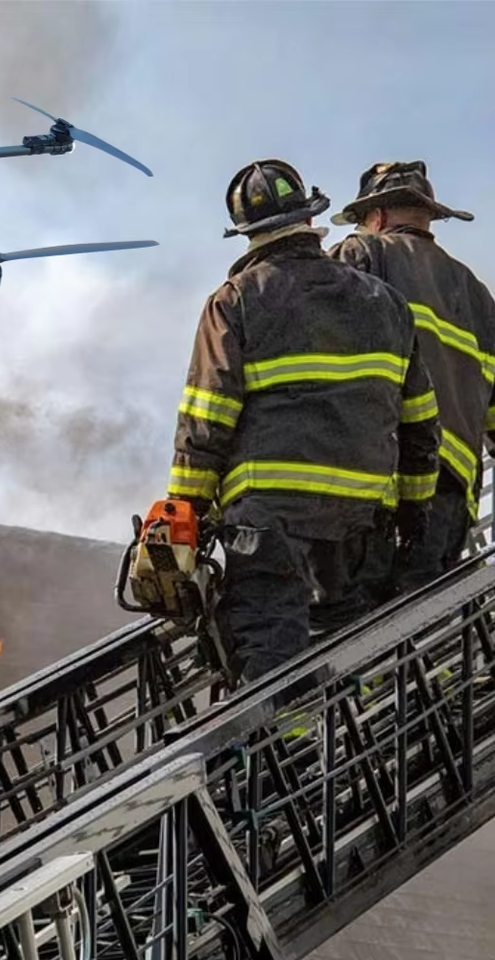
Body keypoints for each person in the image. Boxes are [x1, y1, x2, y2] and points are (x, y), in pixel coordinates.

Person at [167, 159, 440, 685]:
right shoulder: (386, 303)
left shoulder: (235, 301)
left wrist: (185, 510)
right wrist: (412, 511)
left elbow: (207, 418)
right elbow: (420, 422)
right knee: (349, 641)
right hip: (360, 516)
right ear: (310, 219)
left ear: (247, 233)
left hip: (269, 518)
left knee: (270, 644)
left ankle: (285, 737)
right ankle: (345, 727)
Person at [328, 161, 495, 593]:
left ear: (376, 215)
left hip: (379, 482)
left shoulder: (360, 256)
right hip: (451, 494)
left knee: (359, 618)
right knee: (423, 613)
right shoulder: (477, 295)